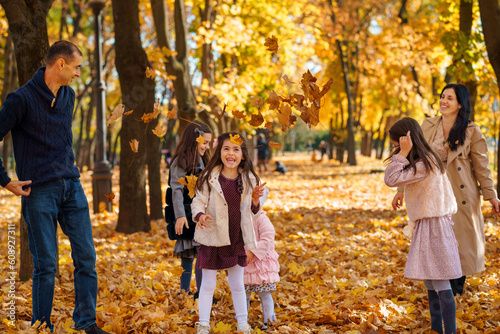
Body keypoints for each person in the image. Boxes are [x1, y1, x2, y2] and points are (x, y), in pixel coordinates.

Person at [0, 41, 109, 333]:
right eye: (76, 67)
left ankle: (86, 322)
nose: (78, 74)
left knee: (86, 257)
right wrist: (6, 180)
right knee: (46, 265)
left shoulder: (69, 96)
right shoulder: (20, 99)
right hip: (39, 192)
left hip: (71, 187)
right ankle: (41, 326)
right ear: (60, 64)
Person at [392, 84, 500, 295]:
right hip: (432, 193)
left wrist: (491, 196)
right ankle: (439, 289)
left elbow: (482, 167)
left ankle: (455, 291)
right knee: (437, 241)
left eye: (450, 98)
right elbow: (413, 159)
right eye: (442, 97)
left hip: (461, 195)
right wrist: (400, 190)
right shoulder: (428, 125)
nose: (444, 101)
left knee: (460, 243)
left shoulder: (471, 130)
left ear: (460, 104)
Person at [385, 117, 461, 334]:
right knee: (431, 281)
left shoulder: (424, 163)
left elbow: (390, 178)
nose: (395, 148)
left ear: (406, 138)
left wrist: (401, 153)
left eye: (396, 143)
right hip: (430, 225)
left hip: (434, 226)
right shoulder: (424, 160)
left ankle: (449, 331)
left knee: (439, 281)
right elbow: (399, 180)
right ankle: (437, 329)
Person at [191, 132, 267, 334]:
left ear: (242, 155)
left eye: (236, 149)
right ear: (219, 152)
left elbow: (254, 212)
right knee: (207, 284)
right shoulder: (209, 177)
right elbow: (198, 200)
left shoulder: (249, 179)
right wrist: (199, 215)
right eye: (226, 148)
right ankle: (204, 324)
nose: (231, 153)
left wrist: (256, 200)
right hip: (213, 237)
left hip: (237, 238)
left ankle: (243, 324)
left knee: (236, 284)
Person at [164, 120, 211, 299]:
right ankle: (184, 292)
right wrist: (180, 216)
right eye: (204, 142)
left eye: (208, 143)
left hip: (200, 214)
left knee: (201, 253)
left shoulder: (204, 159)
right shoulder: (181, 161)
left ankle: (201, 292)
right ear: (194, 139)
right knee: (188, 253)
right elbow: (176, 189)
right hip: (186, 214)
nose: (206, 146)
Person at [244, 188, 279, 330]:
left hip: (261, 264)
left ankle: (269, 319)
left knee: (264, 293)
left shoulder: (261, 218)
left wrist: (254, 251)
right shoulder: (242, 220)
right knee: (243, 293)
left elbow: (268, 236)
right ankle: (242, 319)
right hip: (245, 263)